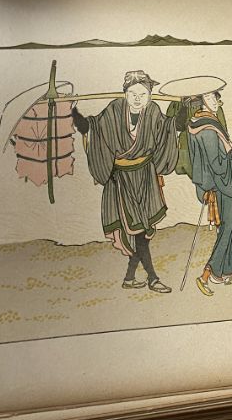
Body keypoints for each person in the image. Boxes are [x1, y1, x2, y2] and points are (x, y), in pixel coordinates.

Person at [71, 70, 179, 293]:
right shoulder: (114, 110)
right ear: (125, 94)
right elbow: (91, 127)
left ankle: (129, 279)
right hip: (122, 181)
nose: (138, 99)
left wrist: (186, 107)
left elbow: (171, 128)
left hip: (146, 178)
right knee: (138, 232)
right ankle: (153, 279)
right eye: (133, 94)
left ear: (149, 95)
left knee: (143, 233)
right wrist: (73, 113)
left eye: (143, 94)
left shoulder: (153, 111)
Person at [189, 90, 232, 296]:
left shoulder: (203, 122)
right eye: (208, 98)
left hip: (220, 184)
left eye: (215, 97)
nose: (214, 101)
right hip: (221, 185)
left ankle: (225, 272)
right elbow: (218, 165)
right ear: (201, 101)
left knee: (229, 227)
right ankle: (206, 275)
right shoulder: (206, 128)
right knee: (226, 229)